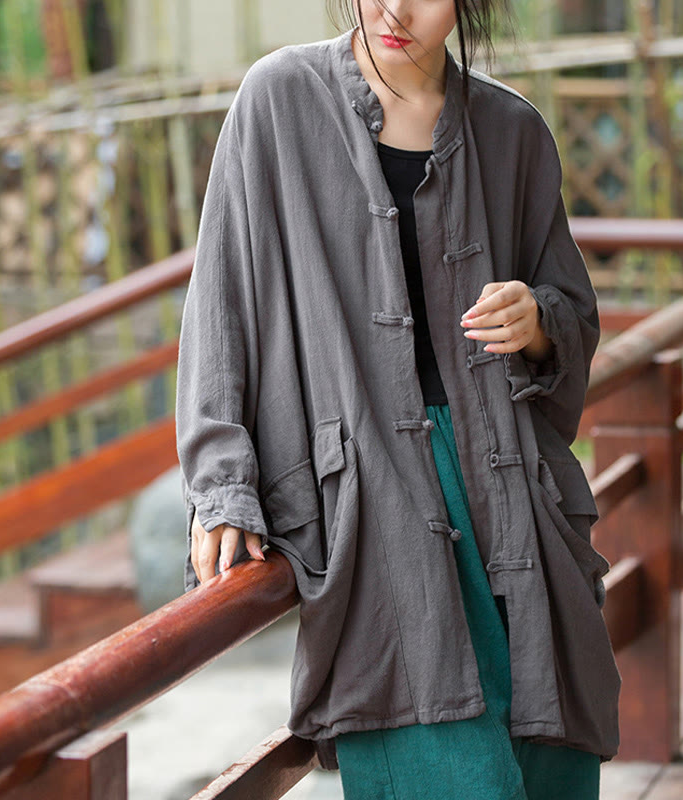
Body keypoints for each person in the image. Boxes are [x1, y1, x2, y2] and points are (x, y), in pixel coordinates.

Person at [175, 1, 622, 798]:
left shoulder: (512, 131)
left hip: (512, 495)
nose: (391, 8)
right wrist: (222, 487)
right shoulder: (280, 99)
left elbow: (571, 313)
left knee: (548, 764)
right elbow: (220, 303)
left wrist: (537, 320)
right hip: (373, 505)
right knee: (442, 761)